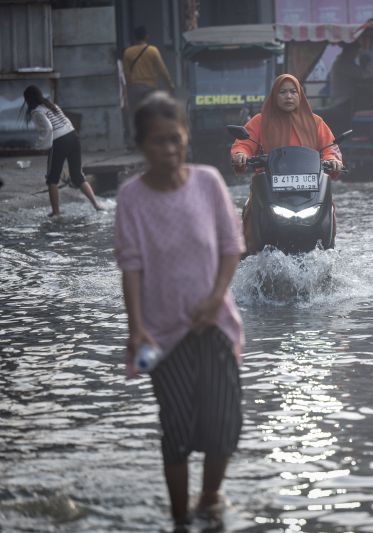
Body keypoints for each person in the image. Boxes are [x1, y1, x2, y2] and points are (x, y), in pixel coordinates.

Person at [114, 92, 245, 533]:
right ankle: (178, 518)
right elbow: (131, 265)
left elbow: (232, 248)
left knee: (224, 419)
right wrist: (136, 328)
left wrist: (215, 298)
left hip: (216, 324)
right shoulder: (132, 197)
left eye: (176, 139)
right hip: (162, 334)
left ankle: (209, 498)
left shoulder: (208, 182)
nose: (169, 150)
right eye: (158, 142)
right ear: (142, 146)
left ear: (187, 137)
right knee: (177, 426)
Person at [231, 74, 344, 253]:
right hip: (269, 186)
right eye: (283, 92)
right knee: (249, 210)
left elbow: (330, 147)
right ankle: (247, 255)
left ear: (300, 95)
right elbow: (244, 144)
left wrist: (333, 160)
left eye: (293, 92)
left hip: (310, 188)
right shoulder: (260, 121)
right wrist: (240, 155)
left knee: (329, 208)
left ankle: (329, 250)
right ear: (274, 96)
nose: (288, 96)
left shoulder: (315, 122)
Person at [22, 85, 103, 217]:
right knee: (77, 175)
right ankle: (97, 205)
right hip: (73, 136)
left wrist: (40, 146)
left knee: (52, 178)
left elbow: (48, 129)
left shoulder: (36, 111)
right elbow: (67, 121)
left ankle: (56, 212)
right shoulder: (52, 105)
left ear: (28, 100)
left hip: (59, 141)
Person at [123, 26, 174, 140]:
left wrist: (128, 90)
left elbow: (126, 75)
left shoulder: (128, 52)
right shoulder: (152, 50)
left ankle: (136, 141)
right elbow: (162, 70)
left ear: (134, 37)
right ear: (146, 36)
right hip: (150, 88)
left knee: (136, 116)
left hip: (135, 88)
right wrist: (170, 85)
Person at [328, 42, 373, 107]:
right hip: (343, 100)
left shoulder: (343, 62)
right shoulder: (344, 63)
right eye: (356, 52)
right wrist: (369, 62)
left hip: (343, 99)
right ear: (351, 51)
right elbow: (365, 75)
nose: (356, 55)